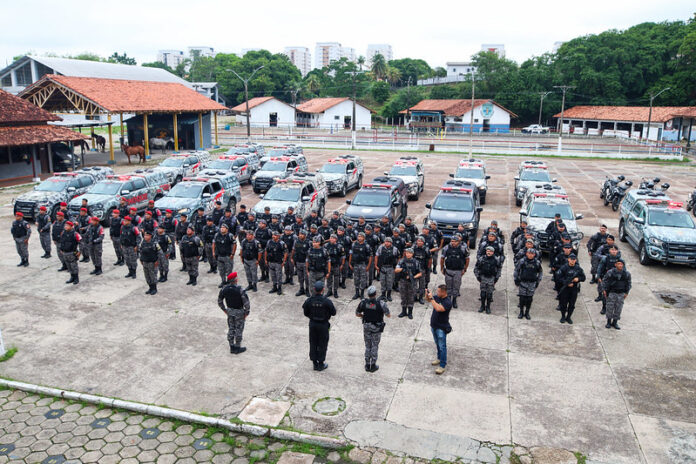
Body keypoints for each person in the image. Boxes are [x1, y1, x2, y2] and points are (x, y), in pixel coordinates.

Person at [303, 281, 336, 371]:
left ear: (314, 289)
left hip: (313, 324)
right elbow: (334, 312)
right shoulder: (327, 301)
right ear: (323, 290)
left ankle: (314, 363)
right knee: (322, 343)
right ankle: (321, 364)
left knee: (313, 342)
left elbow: (305, 312)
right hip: (323, 325)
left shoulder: (309, 300)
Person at [356, 285, 390, 372]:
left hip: (367, 326)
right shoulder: (381, 304)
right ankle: (373, 364)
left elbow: (357, 313)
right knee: (374, 345)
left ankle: (367, 364)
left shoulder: (363, 302)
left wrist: (363, 316)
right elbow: (388, 315)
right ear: (375, 294)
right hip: (376, 327)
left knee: (368, 345)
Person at [218, 271, 251, 354]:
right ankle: (237, 347)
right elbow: (246, 303)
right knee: (239, 329)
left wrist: (225, 310)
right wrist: (246, 313)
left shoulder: (224, 289)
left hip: (230, 311)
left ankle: (231, 346)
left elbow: (219, 301)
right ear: (235, 280)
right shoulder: (240, 289)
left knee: (231, 328)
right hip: (239, 312)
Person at [427, 285, 452, 375]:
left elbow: (438, 308)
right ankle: (439, 358)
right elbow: (428, 300)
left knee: (442, 346)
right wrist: (428, 295)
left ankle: (442, 365)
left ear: (443, 292)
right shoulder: (437, 297)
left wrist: (432, 299)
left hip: (441, 328)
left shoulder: (447, 302)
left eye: (438, 292)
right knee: (437, 343)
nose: (437, 293)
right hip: (434, 325)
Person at [439, 234, 469, 308]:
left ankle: (454, 300)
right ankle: (448, 300)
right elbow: (442, 258)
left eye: (455, 241)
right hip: (449, 270)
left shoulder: (463, 248)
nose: (453, 243)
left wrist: (465, 268)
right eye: (452, 241)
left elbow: (467, 259)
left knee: (456, 286)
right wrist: (442, 268)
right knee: (448, 286)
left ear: (458, 242)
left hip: (458, 270)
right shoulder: (446, 248)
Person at [513, 248, 543, 319]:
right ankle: (521, 312)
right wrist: (516, 279)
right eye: (529, 253)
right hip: (523, 282)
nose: (530, 255)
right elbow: (516, 270)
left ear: (534, 255)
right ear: (526, 253)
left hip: (532, 283)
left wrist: (538, 281)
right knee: (522, 298)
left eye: (532, 254)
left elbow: (540, 272)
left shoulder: (537, 263)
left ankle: (527, 312)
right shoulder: (522, 261)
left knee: (529, 299)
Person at [556, 254, 585, 324]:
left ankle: (568, 317)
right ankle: (563, 316)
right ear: (568, 259)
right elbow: (558, 277)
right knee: (563, 304)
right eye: (571, 259)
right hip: (565, 289)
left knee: (572, 304)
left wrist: (578, 279)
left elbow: (583, 278)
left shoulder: (578, 269)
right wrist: (566, 283)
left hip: (574, 289)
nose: (572, 261)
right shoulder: (564, 268)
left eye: (574, 259)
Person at [603, 259, 631, 330]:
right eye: (618, 264)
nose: (620, 265)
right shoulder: (610, 272)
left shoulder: (627, 274)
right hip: (612, 292)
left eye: (621, 264)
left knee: (618, 308)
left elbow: (629, 284)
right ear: (615, 264)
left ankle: (615, 322)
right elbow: (605, 281)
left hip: (621, 293)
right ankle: (608, 322)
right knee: (610, 307)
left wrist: (627, 293)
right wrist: (604, 290)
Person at [395, 248, 423, 319]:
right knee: (403, 296)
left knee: (411, 297)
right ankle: (403, 311)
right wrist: (403, 269)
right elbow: (396, 270)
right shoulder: (402, 261)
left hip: (411, 282)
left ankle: (410, 312)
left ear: (412, 254)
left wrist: (413, 277)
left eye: (409, 253)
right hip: (403, 281)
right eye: (407, 253)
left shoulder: (416, 262)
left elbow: (420, 273)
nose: (408, 254)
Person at [474, 246, 502, 314]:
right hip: (483, 277)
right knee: (483, 293)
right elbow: (476, 268)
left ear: (493, 252)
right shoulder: (481, 259)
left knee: (489, 294)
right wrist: (478, 276)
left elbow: (499, 269)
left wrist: (496, 278)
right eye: (487, 251)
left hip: (491, 278)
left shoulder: (496, 259)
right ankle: (482, 306)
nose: (489, 252)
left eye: (490, 251)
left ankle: (488, 307)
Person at [596, 245, 622, 314]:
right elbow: (600, 267)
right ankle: (604, 307)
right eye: (612, 250)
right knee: (605, 295)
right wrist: (599, 277)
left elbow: (623, 271)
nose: (613, 251)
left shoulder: (620, 260)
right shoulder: (605, 259)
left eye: (615, 250)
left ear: (617, 251)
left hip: (616, 281)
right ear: (609, 251)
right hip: (606, 279)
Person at [349, 232, 372, 300]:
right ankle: (357, 293)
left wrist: (368, 266)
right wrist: (350, 263)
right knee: (356, 278)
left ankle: (362, 294)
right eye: (358, 236)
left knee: (363, 279)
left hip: (363, 264)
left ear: (364, 238)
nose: (359, 238)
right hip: (355, 264)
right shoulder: (354, 244)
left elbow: (370, 256)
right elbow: (351, 254)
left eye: (361, 236)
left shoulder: (366, 246)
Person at [375, 237, 399, 301]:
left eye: (388, 242)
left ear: (391, 243)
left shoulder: (394, 249)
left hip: (390, 267)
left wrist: (397, 266)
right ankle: (383, 295)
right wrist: (376, 265)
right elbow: (376, 256)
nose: (387, 243)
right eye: (386, 241)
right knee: (382, 281)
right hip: (382, 267)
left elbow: (398, 257)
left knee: (390, 281)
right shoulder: (381, 248)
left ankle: (388, 295)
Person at [140, 230, 163, 295]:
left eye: (147, 235)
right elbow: (141, 251)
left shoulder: (154, 243)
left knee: (153, 276)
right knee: (147, 276)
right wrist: (141, 259)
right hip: (145, 262)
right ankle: (150, 288)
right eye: (144, 235)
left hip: (152, 262)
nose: (145, 237)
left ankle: (154, 289)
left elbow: (160, 253)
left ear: (150, 236)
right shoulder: (143, 243)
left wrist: (157, 261)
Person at [213, 223, 236, 288]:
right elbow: (214, 243)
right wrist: (213, 252)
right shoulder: (217, 235)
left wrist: (232, 254)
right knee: (221, 270)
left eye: (223, 227)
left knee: (229, 271)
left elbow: (234, 244)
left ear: (227, 229)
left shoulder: (230, 235)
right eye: (221, 227)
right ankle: (223, 281)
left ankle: (230, 283)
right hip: (219, 255)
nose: (222, 228)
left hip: (227, 256)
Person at [265, 230, 288, 295]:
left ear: (278, 236)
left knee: (279, 275)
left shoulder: (282, 243)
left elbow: (286, 252)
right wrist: (266, 259)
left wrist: (284, 261)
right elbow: (266, 250)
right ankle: (274, 287)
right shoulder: (269, 242)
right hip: (271, 261)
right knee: (272, 275)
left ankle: (279, 288)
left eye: (275, 235)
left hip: (278, 262)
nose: (273, 236)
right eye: (273, 235)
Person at [324, 234, 345, 298]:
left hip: (336, 265)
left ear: (336, 239)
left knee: (336, 279)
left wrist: (342, 264)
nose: (331, 239)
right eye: (330, 238)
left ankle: (335, 291)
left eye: (333, 238)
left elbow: (343, 256)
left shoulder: (339, 246)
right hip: (329, 266)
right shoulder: (326, 245)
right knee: (329, 278)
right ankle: (329, 291)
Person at [292, 229, 310, 296]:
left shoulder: (308, 242)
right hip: (298, 261)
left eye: (302, 234)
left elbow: (310, 252)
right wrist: (292, 258)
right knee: (300, 277)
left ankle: (307, 289)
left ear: (305, 235)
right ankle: (301, 289)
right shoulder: (296, 241)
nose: (300, 235)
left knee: (306, 277)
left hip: (305, 262)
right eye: (299, 234)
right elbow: (294, 250)